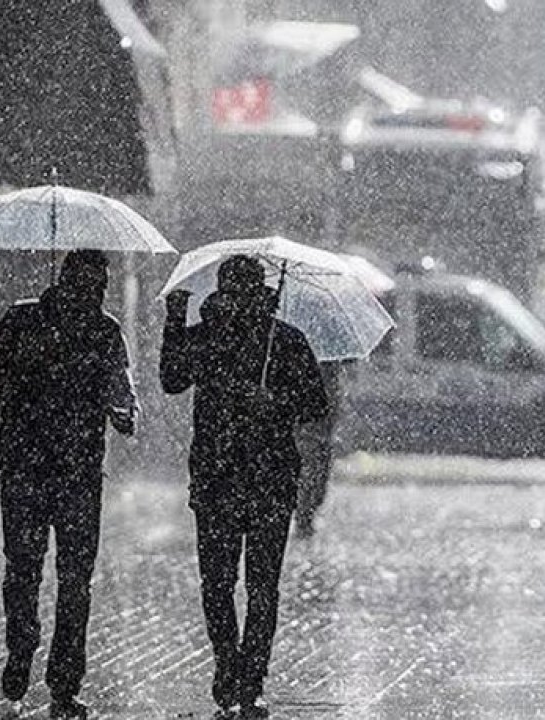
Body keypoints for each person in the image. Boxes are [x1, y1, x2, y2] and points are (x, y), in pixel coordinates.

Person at [160, 256, 329, 719]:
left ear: (261, 293)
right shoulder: (206, 335)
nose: (238, 301)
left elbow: (315, 403)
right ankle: (227, 661)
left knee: (261, 585)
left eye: (246, 292)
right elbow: (172, 380)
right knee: (217, 584)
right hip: (216, 476)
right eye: (231, 292)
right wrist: (175, 321)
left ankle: (252, 674)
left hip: (271, 477)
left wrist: (274, 401)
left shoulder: (285, 341)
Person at [0, 250, 137, 720]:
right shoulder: (21, 322)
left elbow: (122, 396)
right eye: (89, 286)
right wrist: (27, 364)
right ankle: (23, 647)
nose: (95, 296)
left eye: (100, 289)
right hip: (28, 469)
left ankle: (65, 681)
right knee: (24, 571)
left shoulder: (105, 332)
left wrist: (125, 414)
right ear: (65, 282)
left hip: (79, 475)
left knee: (74, 580)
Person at [293, 360, 344, 538]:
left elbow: (335, 408)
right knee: (310, 474)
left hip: (322, 435)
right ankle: (303, 516)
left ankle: (306, 514)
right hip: (309, 433)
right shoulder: (304, 371)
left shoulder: (332, 375)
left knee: (319, 478)